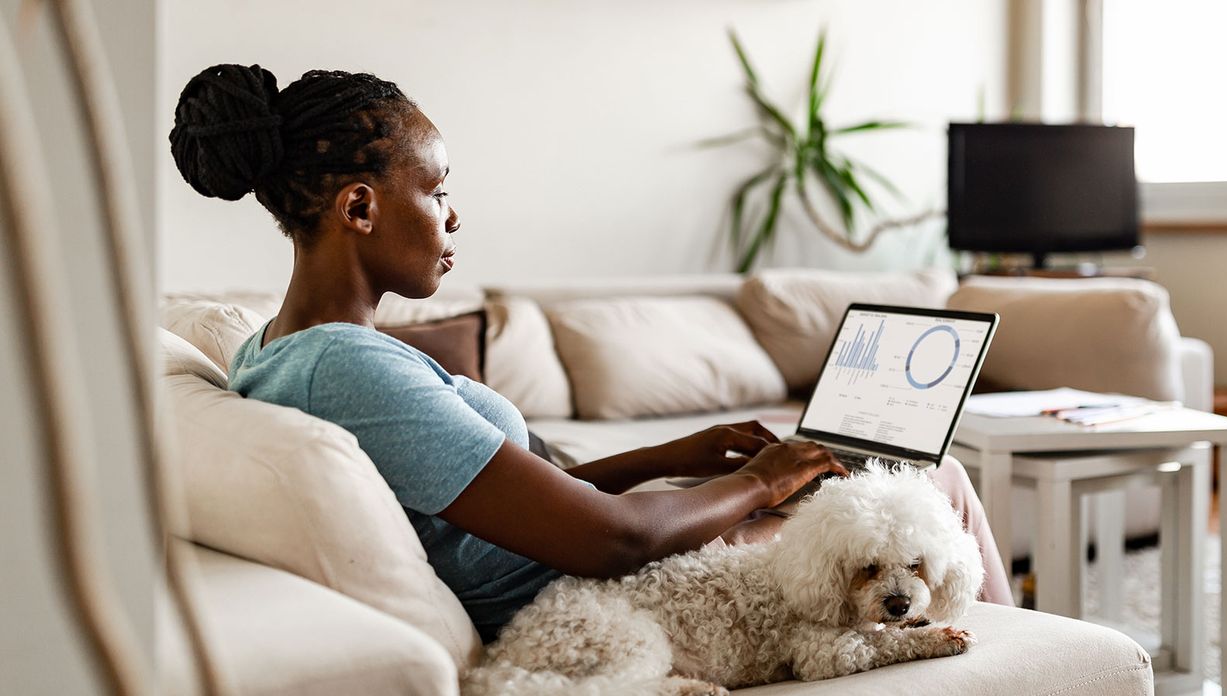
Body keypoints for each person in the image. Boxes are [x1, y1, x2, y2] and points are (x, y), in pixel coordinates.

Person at [168, 64, 1014, 643]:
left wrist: (671, 456)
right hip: (602, 596)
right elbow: (605, 542)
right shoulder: (346, 369)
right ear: (359, 207)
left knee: (870, 477)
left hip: (581, 565)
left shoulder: (273, 351)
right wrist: (763, 481)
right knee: (928, 480)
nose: (451, 217)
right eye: (436, 189)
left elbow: (512, 502)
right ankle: (1029, 665)